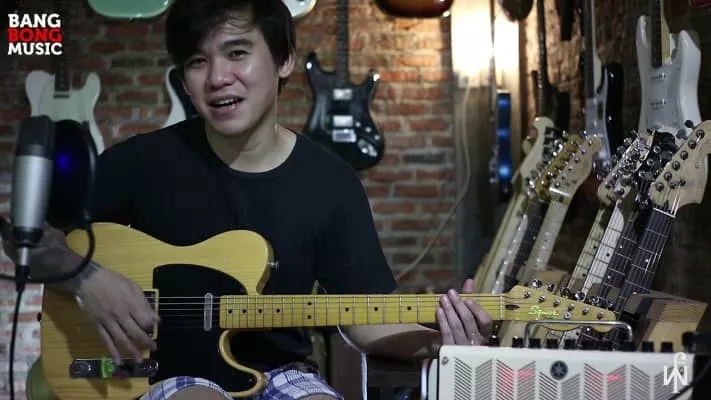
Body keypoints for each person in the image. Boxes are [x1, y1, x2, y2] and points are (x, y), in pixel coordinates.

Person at [2, 0, 493, 399]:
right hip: (161, 373)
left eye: (236, 53)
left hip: (284, 373)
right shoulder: (140, 162)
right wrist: (86, 277)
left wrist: (442, 342)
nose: (217, 77)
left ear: (283, 60)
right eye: (198, 61)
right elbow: (25, 237)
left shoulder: (331, 183)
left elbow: (367, 322)